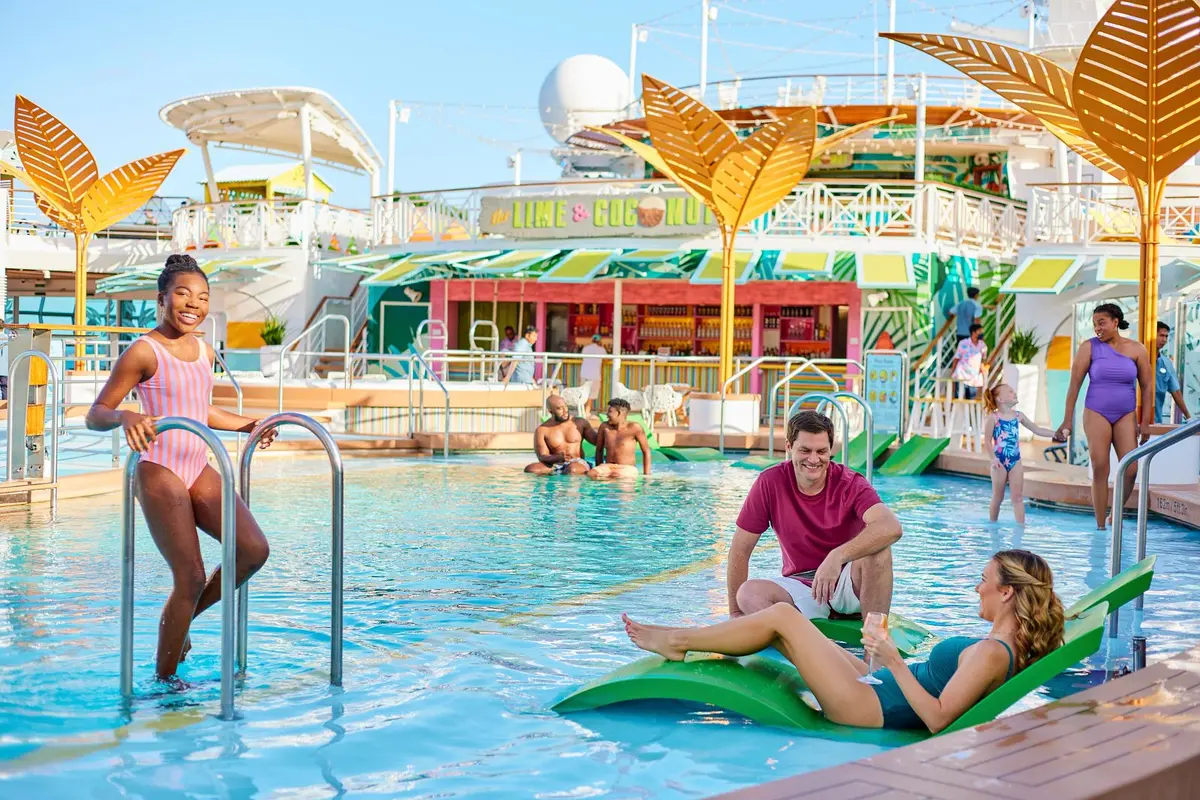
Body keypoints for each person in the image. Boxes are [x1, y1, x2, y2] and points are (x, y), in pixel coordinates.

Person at [85, 254, 276, 681]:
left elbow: (199, 409)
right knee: (189, 576)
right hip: (159, 469)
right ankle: (165, 683)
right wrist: (125, 417)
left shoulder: (203, 349)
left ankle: (183, 620)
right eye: (183, 294)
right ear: (163, 298)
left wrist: (248, 424)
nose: (193, 304)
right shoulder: (143, 350)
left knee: (252, 550)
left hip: (197, 463)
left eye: (203, 297)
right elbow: (96, 413)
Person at [623, 550, 1064, 732]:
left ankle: (679, 641)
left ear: (1007, 592)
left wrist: (891, 658)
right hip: (879, 689)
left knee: (781, 616)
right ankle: (689, 640)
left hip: (873, 707)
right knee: (789, 627)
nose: (976, 588)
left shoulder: (992, 651)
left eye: (983, 581)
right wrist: (887, 664)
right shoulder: (1003, 644)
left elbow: (937, 719)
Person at [729, 411, 901, 621]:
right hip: (802, 585)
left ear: (830, 450)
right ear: (789, 447)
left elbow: (890, 526)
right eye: (805, 450)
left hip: (848, 582)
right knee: (748, 594)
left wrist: (837, 557)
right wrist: (736, 613)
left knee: (879, 550)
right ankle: (802, 644)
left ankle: (874, 647)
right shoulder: (770, 482)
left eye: (821, 451)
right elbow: (740, 548)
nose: (813, 459)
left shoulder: (851, 483)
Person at [1055, 303, 1153, 530]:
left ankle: (1114, 512)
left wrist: (1145, 422)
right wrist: (1067, 419)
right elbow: (1074, 386)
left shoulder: (1137, 349)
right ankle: (1100, 525)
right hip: (1096, 412)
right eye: (1094, 324)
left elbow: (1147, 387)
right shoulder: (1088, 348)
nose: (1097, 328)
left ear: (1115, 322)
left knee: (1131, 470)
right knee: (1101, 466)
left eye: (1102, 323)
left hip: (1125, 414)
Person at [983, 384, 1064, 524]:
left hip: (1016, 461)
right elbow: (987, 441)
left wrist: (1055, 434)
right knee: (998, 497)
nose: (1014, 393)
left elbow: (1037, 430)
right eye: (1010, 392)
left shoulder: (1018, 416)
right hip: (999, 462)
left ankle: (1021, 528)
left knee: (1018, 497)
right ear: (1001, 399)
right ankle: (992, 526)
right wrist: (993, 459)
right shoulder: (993, 418)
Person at [525, 395, 598, 475]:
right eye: (559, 408)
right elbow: (542, 456)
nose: (565, 410)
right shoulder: (542, 430)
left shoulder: (579, 423)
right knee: (531, 469)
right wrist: (558, 458)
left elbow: (598, 441)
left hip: (577, 463)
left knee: (572, 469)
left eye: (565, 406)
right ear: (550, 411)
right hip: (556, 464)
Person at [588, 398, 651, 478]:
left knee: (616, 476)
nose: (607, 414)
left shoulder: (634, 427)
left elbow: (646, 451)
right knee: (591, 474)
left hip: (627, 467)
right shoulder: (604, 427)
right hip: (608, 466)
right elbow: (599, 449)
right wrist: (598, 467)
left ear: (619, 413)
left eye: (610, 412)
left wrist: (647, 475)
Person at [1155, 321, 1190, 424]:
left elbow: (1176, 392)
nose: (1164, 340)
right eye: (1161, 335)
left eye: (1166, 336)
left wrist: (1188, 417)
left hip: (1155, 421)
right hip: (1131, 420)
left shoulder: (1166, 363)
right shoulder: (1134, 359)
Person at [949, 323, 988, 400]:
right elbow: (956, 358)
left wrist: (983, 369)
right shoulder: (963, 343)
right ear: (973, 333)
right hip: (961, 374)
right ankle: (957, 412)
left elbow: (983, 359)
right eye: (979, 331)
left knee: (971, 399)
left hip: (974, 376)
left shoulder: (982, 345)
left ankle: (968, 412)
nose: (981, 334)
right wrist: (952, 372)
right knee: (958, 397)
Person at [579, 334, 607, 415]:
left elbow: (582, 358)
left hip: (584, 373)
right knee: (591, 395)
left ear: (592, 340)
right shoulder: (601, 350)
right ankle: (587, 412)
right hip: (594, 375)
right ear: (600, 341)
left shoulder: (585, 348)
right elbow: (607, 359)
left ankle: (582, 411)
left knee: (583, 393)